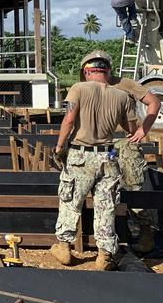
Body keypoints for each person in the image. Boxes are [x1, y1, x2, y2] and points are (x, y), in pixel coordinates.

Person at [50, 52, 144, 271]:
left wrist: (59, 146)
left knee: (71, 199)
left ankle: (64, 246)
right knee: (106, 206)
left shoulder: (78, 89)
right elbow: (131, 128)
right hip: (108, 157)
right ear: (107, 71)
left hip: (80, 155)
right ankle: (104, 255)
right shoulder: (122, 96)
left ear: (86, 71)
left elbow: (69, 119)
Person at [79, 50, 161, 253]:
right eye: (92, 67)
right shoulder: (83, 88)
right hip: (94, 146)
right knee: (96, 190)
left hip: (123, 143)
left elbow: (154, 102)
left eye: (100, 66)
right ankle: (103, 236)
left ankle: (146, 232)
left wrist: (144, 129)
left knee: (133, 187)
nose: (97, 70)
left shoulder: (125, 84)